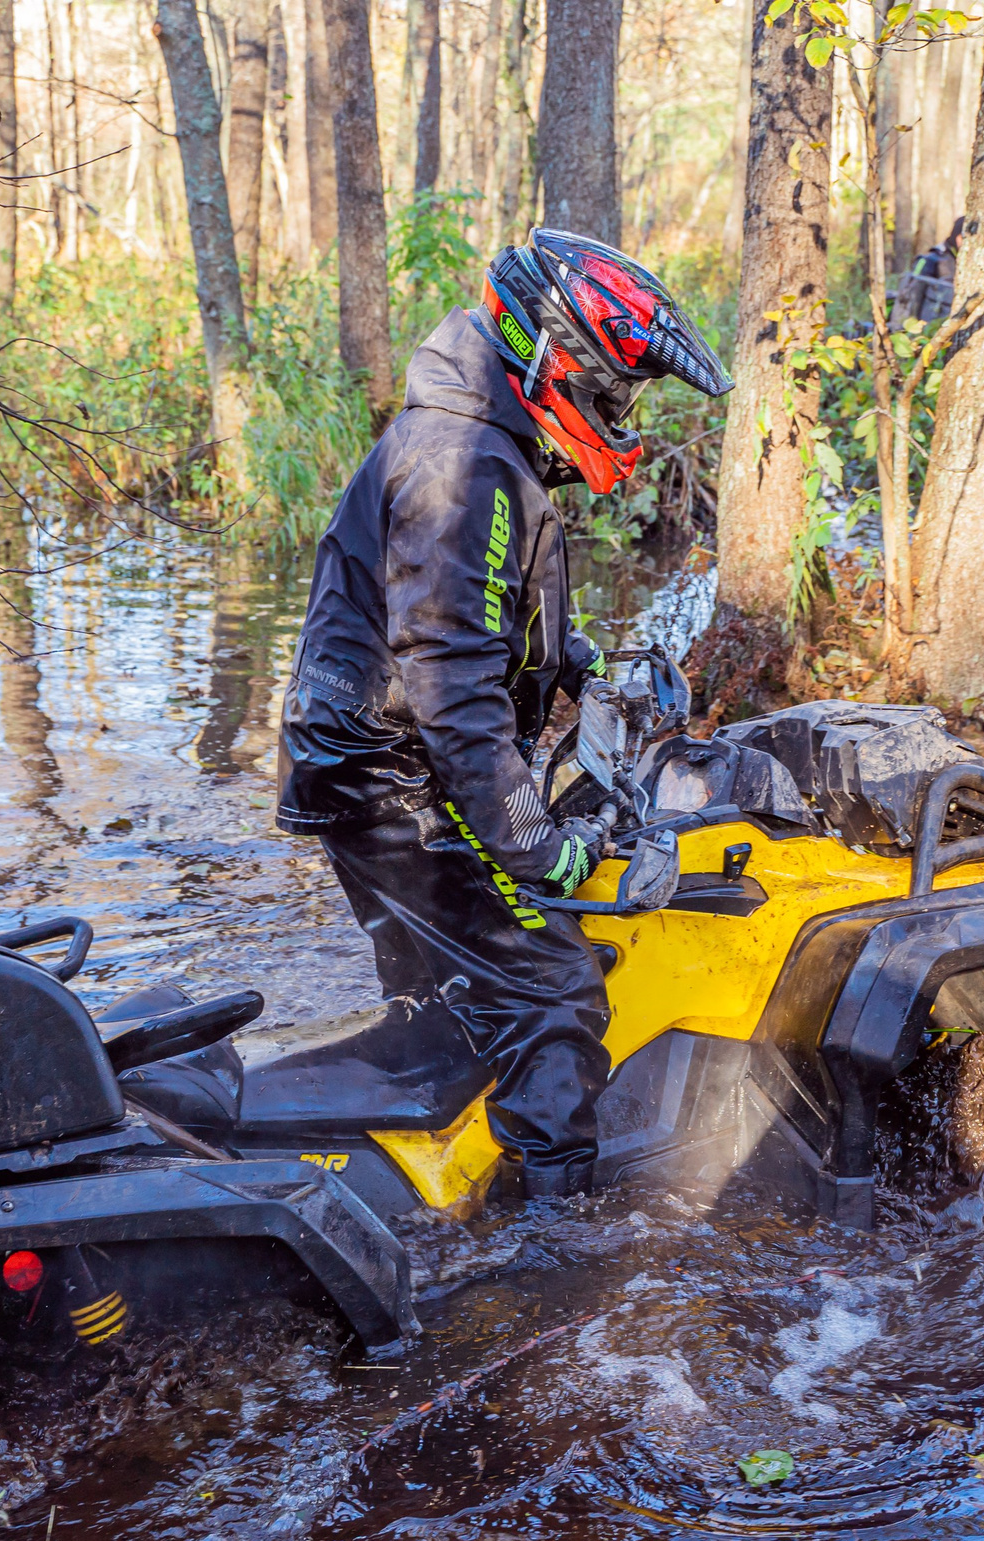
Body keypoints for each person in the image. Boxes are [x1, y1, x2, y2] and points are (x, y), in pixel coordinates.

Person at [275, 229, 732, 1201]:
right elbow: (448, 686)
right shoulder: (462, 464)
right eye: (611, 393)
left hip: (374, 760)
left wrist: (578, 660)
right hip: (392, 773)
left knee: (452, 996)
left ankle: (417, 1192)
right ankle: (546, 1256)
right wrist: (532, 844)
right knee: (555, 995)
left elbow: (473, 616)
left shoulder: (482, 441)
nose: (619, 415)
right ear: (554, 359)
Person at [900, 215, 972, 323]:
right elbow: (910, 297)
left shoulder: (967, 261)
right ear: (957, 237)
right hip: (925, 329)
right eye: (963, 238)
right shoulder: (931, 260)